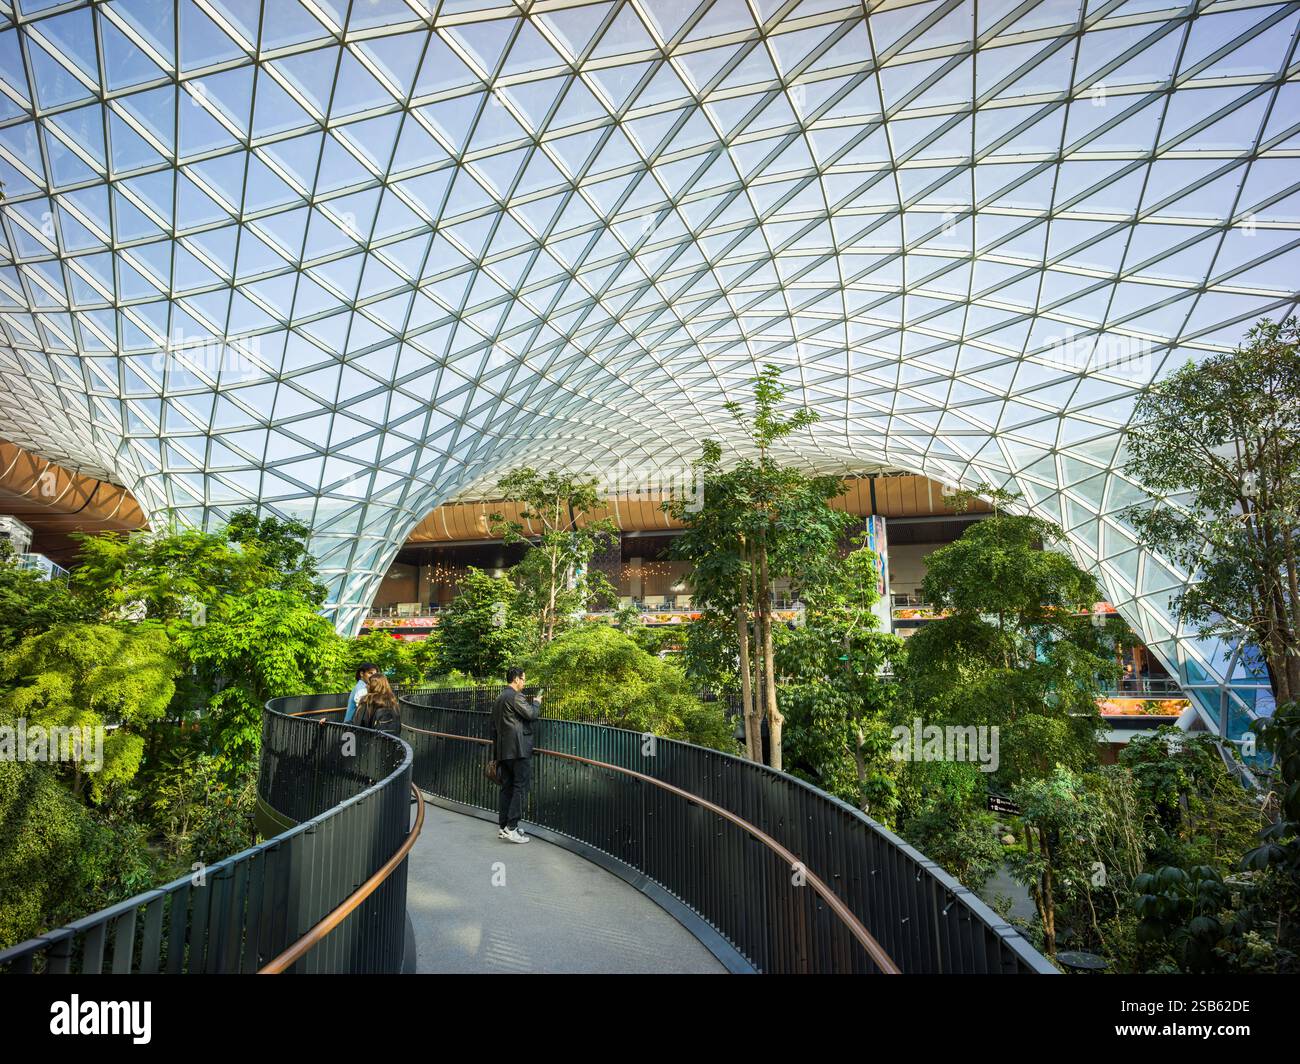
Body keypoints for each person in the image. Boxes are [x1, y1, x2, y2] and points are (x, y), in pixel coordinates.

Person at [490, 667, 541, 844]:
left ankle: (503, 827)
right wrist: (536, 702)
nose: (524, 683)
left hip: (503, 751)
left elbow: (494, 728)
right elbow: (531, 714)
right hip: (519, 750)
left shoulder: (499, 698)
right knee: (520, 787)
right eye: (524, 679)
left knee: (507, 788)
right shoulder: (515, 696)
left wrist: (496, 754)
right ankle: (512, 828)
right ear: (516, 679)